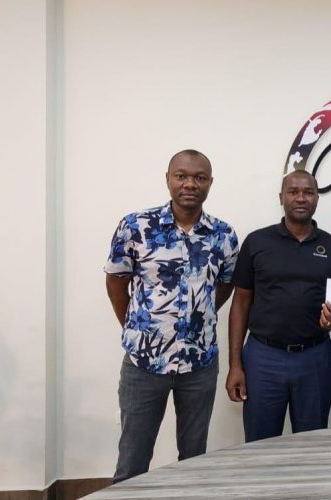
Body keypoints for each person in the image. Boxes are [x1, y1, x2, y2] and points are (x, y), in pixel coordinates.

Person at [104, 149, 238, 482]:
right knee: (133, 459)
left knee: (193, 460)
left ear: (210, 183)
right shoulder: (136, 227)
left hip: (200, 365)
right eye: (181, 176)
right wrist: (137, 324)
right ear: (168, 179)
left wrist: (196, 318)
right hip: (143, 364)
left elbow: (224, 286)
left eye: (199, 177)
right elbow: (116, 280)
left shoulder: (224, 235)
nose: (190, 183)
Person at [226, 170, 331, 442]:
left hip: (314, 357)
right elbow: (240, 303)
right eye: (293, 192)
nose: (300, 198)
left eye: (308, 192)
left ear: (317, 198)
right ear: (281, 197)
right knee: (260, 443)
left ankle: (309, 487)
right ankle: (262, 487)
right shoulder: (257, 242)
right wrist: (235, 364)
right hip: (263, 357)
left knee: (311, 444)